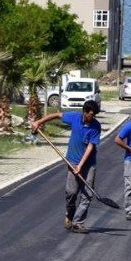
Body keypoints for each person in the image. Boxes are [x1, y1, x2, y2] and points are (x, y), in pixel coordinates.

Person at [32, 100, 102, 234]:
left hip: (88, 164)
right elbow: (57, 115)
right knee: (71, 193)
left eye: (94, 115)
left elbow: (90, 146)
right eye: (91, 114)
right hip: (72, 162)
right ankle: (70, 214)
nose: (93, 117)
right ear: (85, 112)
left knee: (87, 194)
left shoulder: (96, 126)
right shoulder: (74, 118)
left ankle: (78, 222)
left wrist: (80, 166)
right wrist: (39, 122)